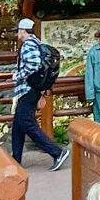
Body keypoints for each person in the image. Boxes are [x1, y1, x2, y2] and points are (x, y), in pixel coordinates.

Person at [12, 17, 68, 171]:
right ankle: (15, 159)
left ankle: (57, 152)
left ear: (23, 31)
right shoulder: (38, 43)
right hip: (34, 89)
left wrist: (18, 75)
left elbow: (34, 64)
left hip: (27, 90)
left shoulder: (28, 45)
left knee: (27, 124)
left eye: (18, 30)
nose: (17, 33)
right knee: (18, 124)